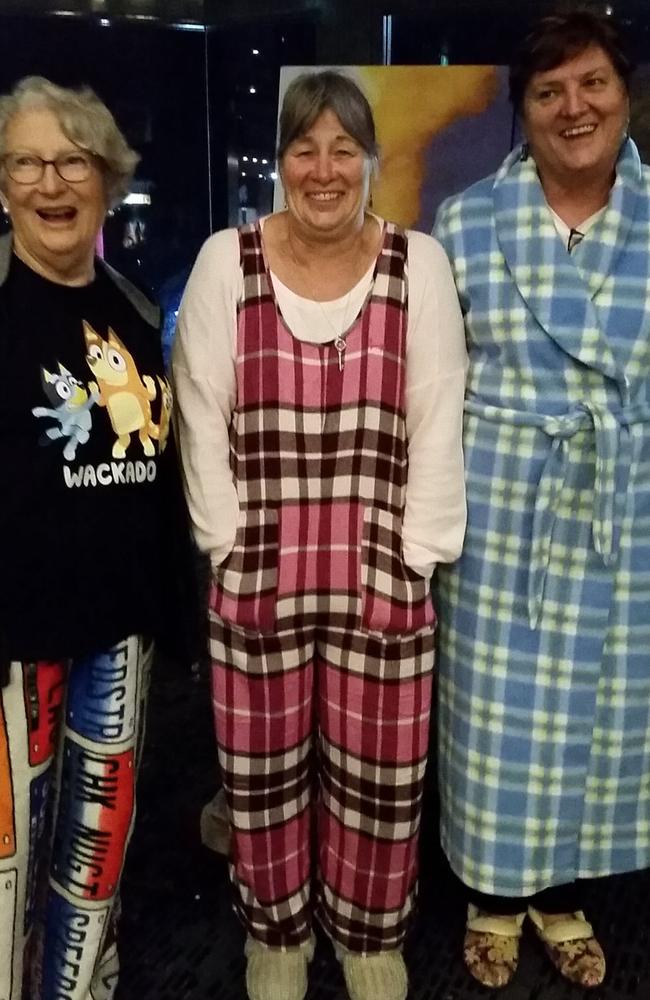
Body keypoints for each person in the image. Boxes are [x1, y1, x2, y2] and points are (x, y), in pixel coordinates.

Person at [173, 70, 467, 1000]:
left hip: (381, 572)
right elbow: (199, 410)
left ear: (371, 163)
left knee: (381, 781)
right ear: (283, 162)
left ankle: (369, 937)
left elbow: (437, 417)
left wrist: (417, 559)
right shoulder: (231, 262)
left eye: (345, 148)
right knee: (261, 778)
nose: (325, 168)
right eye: (306, 147)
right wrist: (224, 544)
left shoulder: (417, 265)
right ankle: (279, 933)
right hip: (259, 574)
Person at [433, 8, 650, 990]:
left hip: (622, 510)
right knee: (495, 717)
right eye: (548, 90)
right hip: (501, 510)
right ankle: (490, 892)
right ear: (520, 111)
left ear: (624, 91)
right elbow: (434, 382)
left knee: (601, 716)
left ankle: (559, 893)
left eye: (591, 83)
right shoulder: (467, 220)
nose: (574, 107)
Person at [0, 76, 195, 999]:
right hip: (12, 642)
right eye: (28, 162)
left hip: (119, 633)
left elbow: (156, 479)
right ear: (3, 184)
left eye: (73, 161)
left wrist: (172, 615)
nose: (51, 182)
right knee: (8, 868)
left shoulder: (137, 311)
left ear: (107, 180)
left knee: (96, 856)